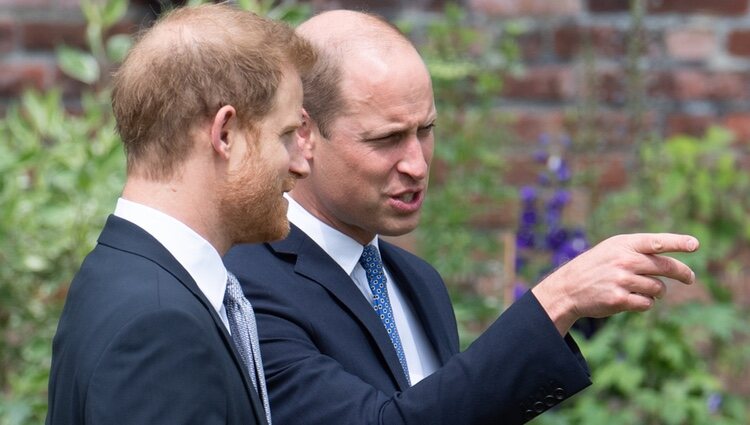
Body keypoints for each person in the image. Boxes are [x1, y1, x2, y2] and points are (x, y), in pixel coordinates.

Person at [224, 10, 699, 425]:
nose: (416, 163)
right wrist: (558, 300)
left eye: (425, 130)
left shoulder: (417, 281)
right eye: (386, 139)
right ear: (303, 133)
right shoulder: (247, 282)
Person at [45, 4, 315, 424]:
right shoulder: (159, 326)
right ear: (224, 134)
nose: (301, 164)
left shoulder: (121, 273)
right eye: (285, 136)